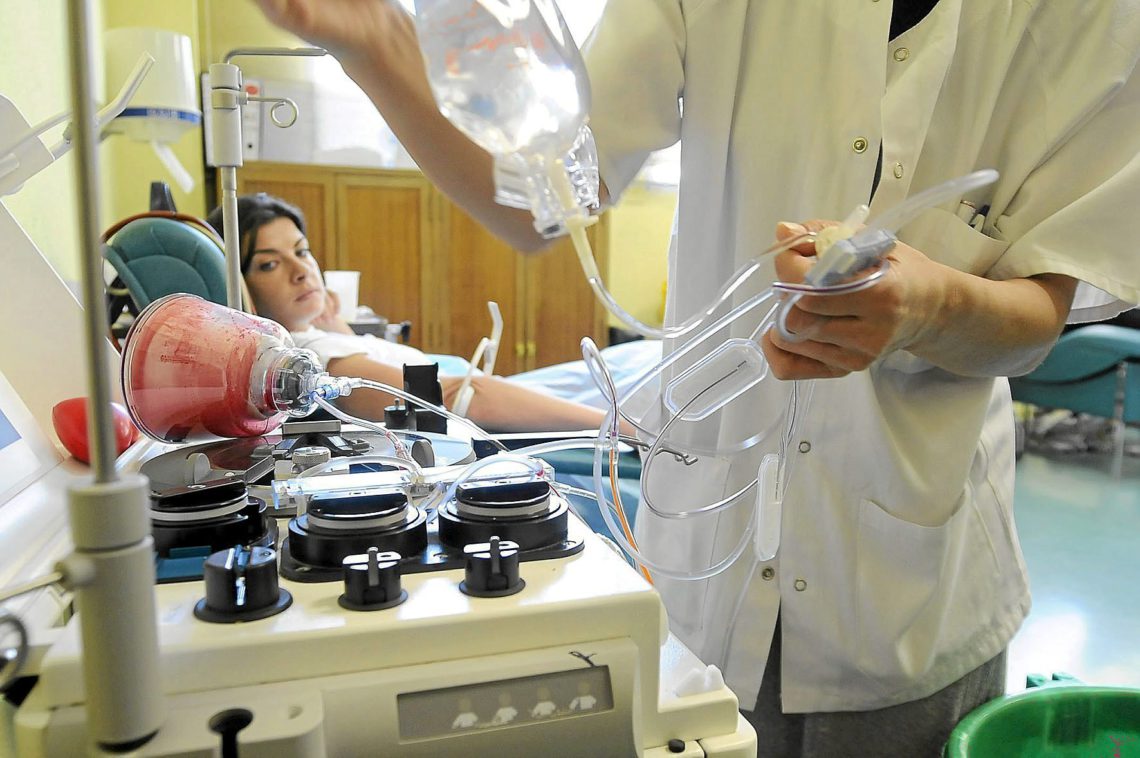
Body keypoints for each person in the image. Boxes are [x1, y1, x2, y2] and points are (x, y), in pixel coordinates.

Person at [252, 1, 1140, 755]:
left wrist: (935, 306)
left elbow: (1044, 310)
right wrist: (375, 43)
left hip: (914, 608)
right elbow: (545, 195)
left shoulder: (1084, 19)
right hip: (703, 598)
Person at [204, 193, 618, 434]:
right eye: (269, 264)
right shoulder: (305, 363)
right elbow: (459, 398)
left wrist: (321, 316)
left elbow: (343, 344)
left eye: (302, 251)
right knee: (635, 382)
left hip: (496, 387)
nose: (302, 272)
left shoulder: (317, 334)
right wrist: (618, 428)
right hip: (480, 404)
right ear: (237, 289)